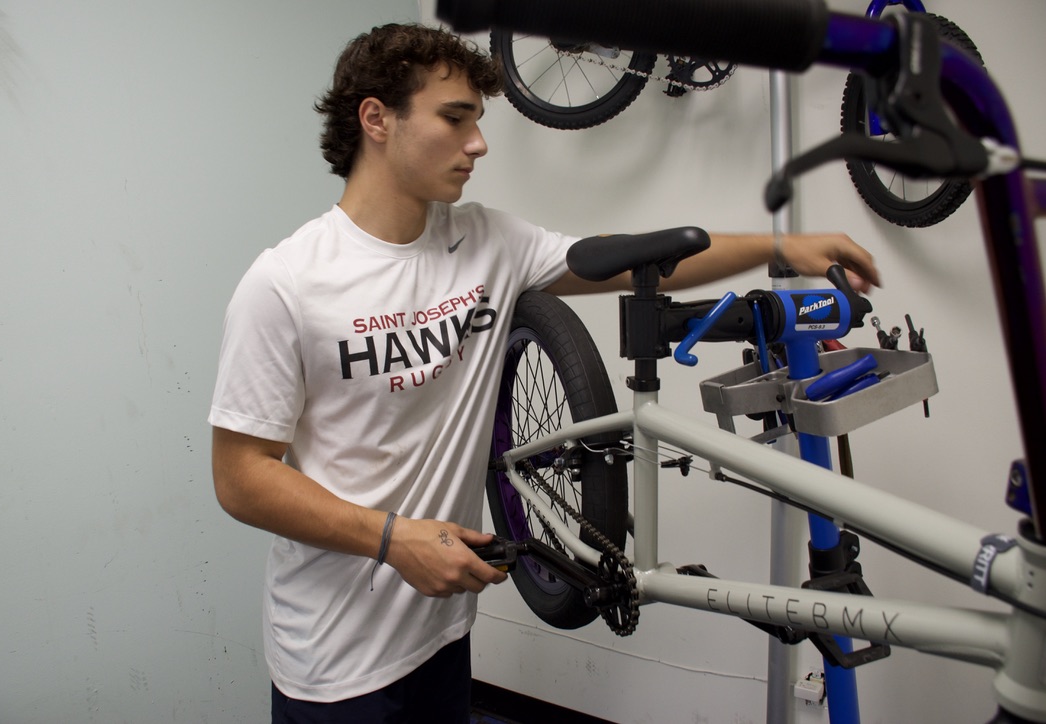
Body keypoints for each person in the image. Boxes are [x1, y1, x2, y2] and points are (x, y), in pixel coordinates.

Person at [208, 23, 880, 723]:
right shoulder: (286, 283)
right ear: (376, 119)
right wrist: (393, 538)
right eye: (455, 118)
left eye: (478, 119)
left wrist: (781, 245)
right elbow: (242, 477)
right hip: (333, 657)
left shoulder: (486, 241)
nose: (479, 143)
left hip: (440, 631)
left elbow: (626, 256)